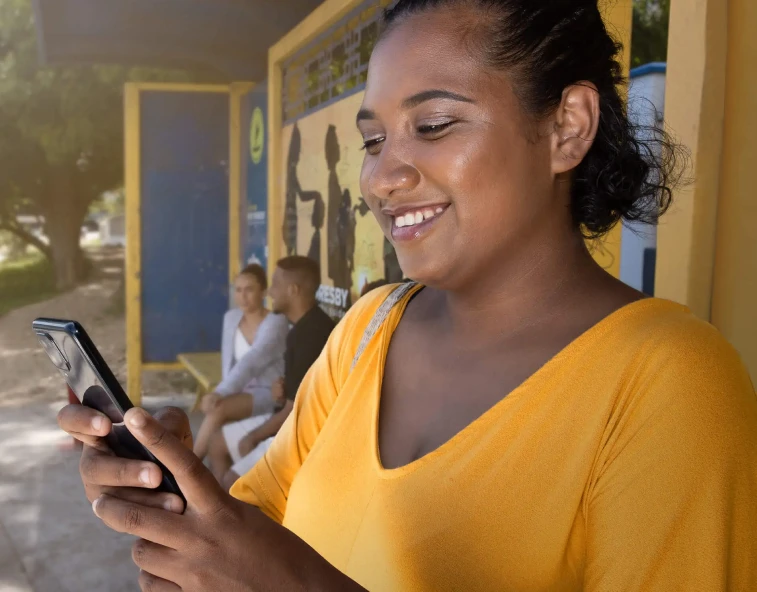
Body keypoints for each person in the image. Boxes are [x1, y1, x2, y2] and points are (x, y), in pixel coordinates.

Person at [58, 1, 757, 591]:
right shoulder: (369, 328)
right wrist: (178, 501)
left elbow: (279, 572)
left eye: (432, 126)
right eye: (372, 139)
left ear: (566, 127)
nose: (381, 178)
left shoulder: (670, 383)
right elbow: (257, 523)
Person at [208, 256, 335, 489]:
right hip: (288, 418)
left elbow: (294, 412)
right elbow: (295, 394)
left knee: (232, 481)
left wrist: (255, 436)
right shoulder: (301, 328)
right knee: (217, 444)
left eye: (275, 285)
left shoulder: (312, 334)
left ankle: (238, 509)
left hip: (304, 432)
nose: (271, 292)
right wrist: (283, 389)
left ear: (293, 290)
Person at [192, 264, 288, 466]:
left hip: (269, 392)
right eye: (238, 290)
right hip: (237, 391)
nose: (243, 296)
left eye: (250, 289)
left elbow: (252, 361)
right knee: (217, 433)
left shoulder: (276, 322)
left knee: (218, 409)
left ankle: (188, 465)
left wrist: (220, 392)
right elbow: (230, 362)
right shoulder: (231, 318)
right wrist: (223, 391)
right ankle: (219, 486)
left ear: (263, 292)